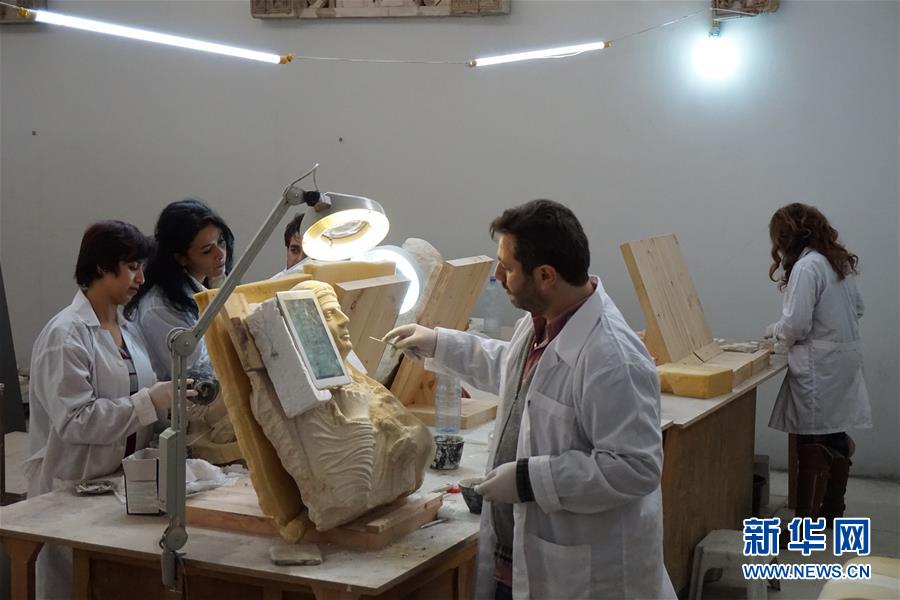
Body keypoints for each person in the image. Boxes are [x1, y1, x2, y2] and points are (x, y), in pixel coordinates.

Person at [386, 200, 674, 600]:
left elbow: (635, 467)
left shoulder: (612, 357)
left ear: (545, 276)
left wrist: (529, 480)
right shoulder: (544, 320)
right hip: (518, 555)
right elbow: (517, 375)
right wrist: (439, 343)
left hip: (582, 576)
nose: (497, 276)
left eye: (507, 267)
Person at [23, 220, 189, 599]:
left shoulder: (127, 329)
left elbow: (141, 404)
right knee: (71, 586)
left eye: (141, 267)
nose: (141, 278)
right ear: (101, 266)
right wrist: (151, 401)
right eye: (132, 267)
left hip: (117, 487)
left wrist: (174, 410)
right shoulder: (66, 335)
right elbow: (76, 421)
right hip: (70, 489)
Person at [765, 203, 871, 524]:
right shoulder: (837, 262)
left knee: (811, 442)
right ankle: (832, 510)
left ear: (788, 236)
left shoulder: (807, 266)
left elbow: (796, 324)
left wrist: (774, 331)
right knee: (834, 435)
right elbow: (859, 309)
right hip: (843, 361)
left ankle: (806, 522)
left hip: (819, 365)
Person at [126, 199, 237, 459]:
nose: (220, 254)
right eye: (207, 250)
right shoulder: (159, 308)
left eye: (221, 242)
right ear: (181, 258)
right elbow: (198, 372)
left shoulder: (204, 287)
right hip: (188, 410)